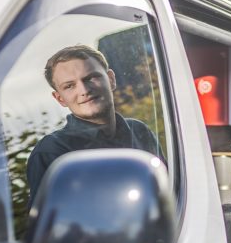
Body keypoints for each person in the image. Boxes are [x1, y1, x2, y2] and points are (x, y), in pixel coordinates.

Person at [26, 44, 162, 202]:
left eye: (90, 78)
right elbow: (52, 223)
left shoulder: (139, 131)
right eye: (69, 86)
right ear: (60, 98)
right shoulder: (52, 153)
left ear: (111, 80)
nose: (84, 90)